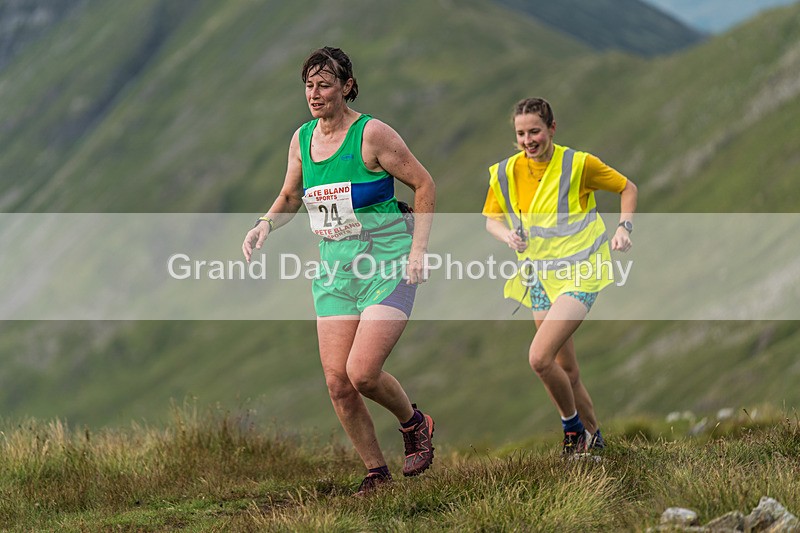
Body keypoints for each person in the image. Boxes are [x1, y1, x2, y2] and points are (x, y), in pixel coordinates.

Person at [242, 46, 436, 494]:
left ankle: (415, 424)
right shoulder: (302, 139)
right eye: (309, 85)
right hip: (335, 271)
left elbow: (424, 184)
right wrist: (264, 225)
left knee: (363, 372)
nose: (314, 93)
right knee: (338, 383)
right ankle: (376, 474)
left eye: (324, 84)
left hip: (386, 262)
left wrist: (418, 250)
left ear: (346, 86)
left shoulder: (372, 135)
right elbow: (292, 196)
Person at [483, 97, 637, 454]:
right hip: (540, 278)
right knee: (567, 371)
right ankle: (594, 438)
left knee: (539, 358)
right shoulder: (506, 172)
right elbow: (491, 218)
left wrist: (624, 228)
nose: (528, 139)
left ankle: (572, 429)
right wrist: (507, 235)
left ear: (552, 129)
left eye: (535, 131)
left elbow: (628, 188)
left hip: (582, 273)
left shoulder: (579, 164)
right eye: (521, 133)